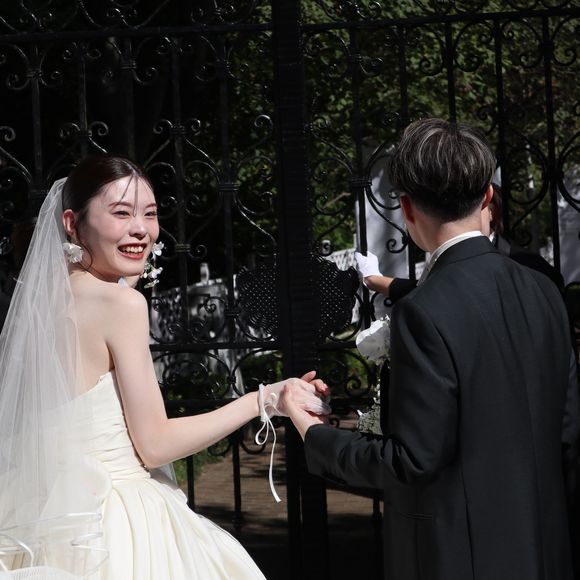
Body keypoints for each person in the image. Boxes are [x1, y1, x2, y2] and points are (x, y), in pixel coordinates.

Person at [0, 155, 330, 579]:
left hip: (54, 518)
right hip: (119, 521)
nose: (141, 229)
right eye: (121, 213)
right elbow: (155, 445)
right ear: (72, 223)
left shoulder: (43, 304)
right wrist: (264, 400)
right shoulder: (122, 305)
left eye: (151, 214)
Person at [283, 118, 580, 579]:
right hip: (546, 552)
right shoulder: (543, 290)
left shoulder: (424, 310)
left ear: (406, 207)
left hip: (464, 559)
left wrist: (312, 431)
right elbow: (568, 434)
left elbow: (411, 462)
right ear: (487, 196)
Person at [355, 183, 564, 302]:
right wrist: (375, 280)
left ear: (490, 206)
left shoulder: (534, 270)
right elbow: (430, 294)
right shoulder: (445, 260)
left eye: (474, 204)